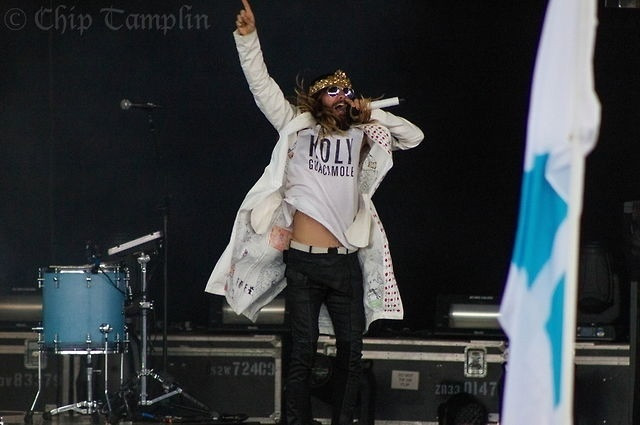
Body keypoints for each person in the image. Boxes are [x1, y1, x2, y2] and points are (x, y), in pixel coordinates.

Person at [205, 1, 424, 424]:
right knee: (302, 351)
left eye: (348, 92)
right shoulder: (297, 127)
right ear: (317, 98)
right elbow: (261, 86)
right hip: (304, 263)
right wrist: (248, 39)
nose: (343, 97)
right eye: (333, 91)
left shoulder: (362, 134)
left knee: (352, 352)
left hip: (344, 263)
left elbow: (414, 137)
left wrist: (374, 112)